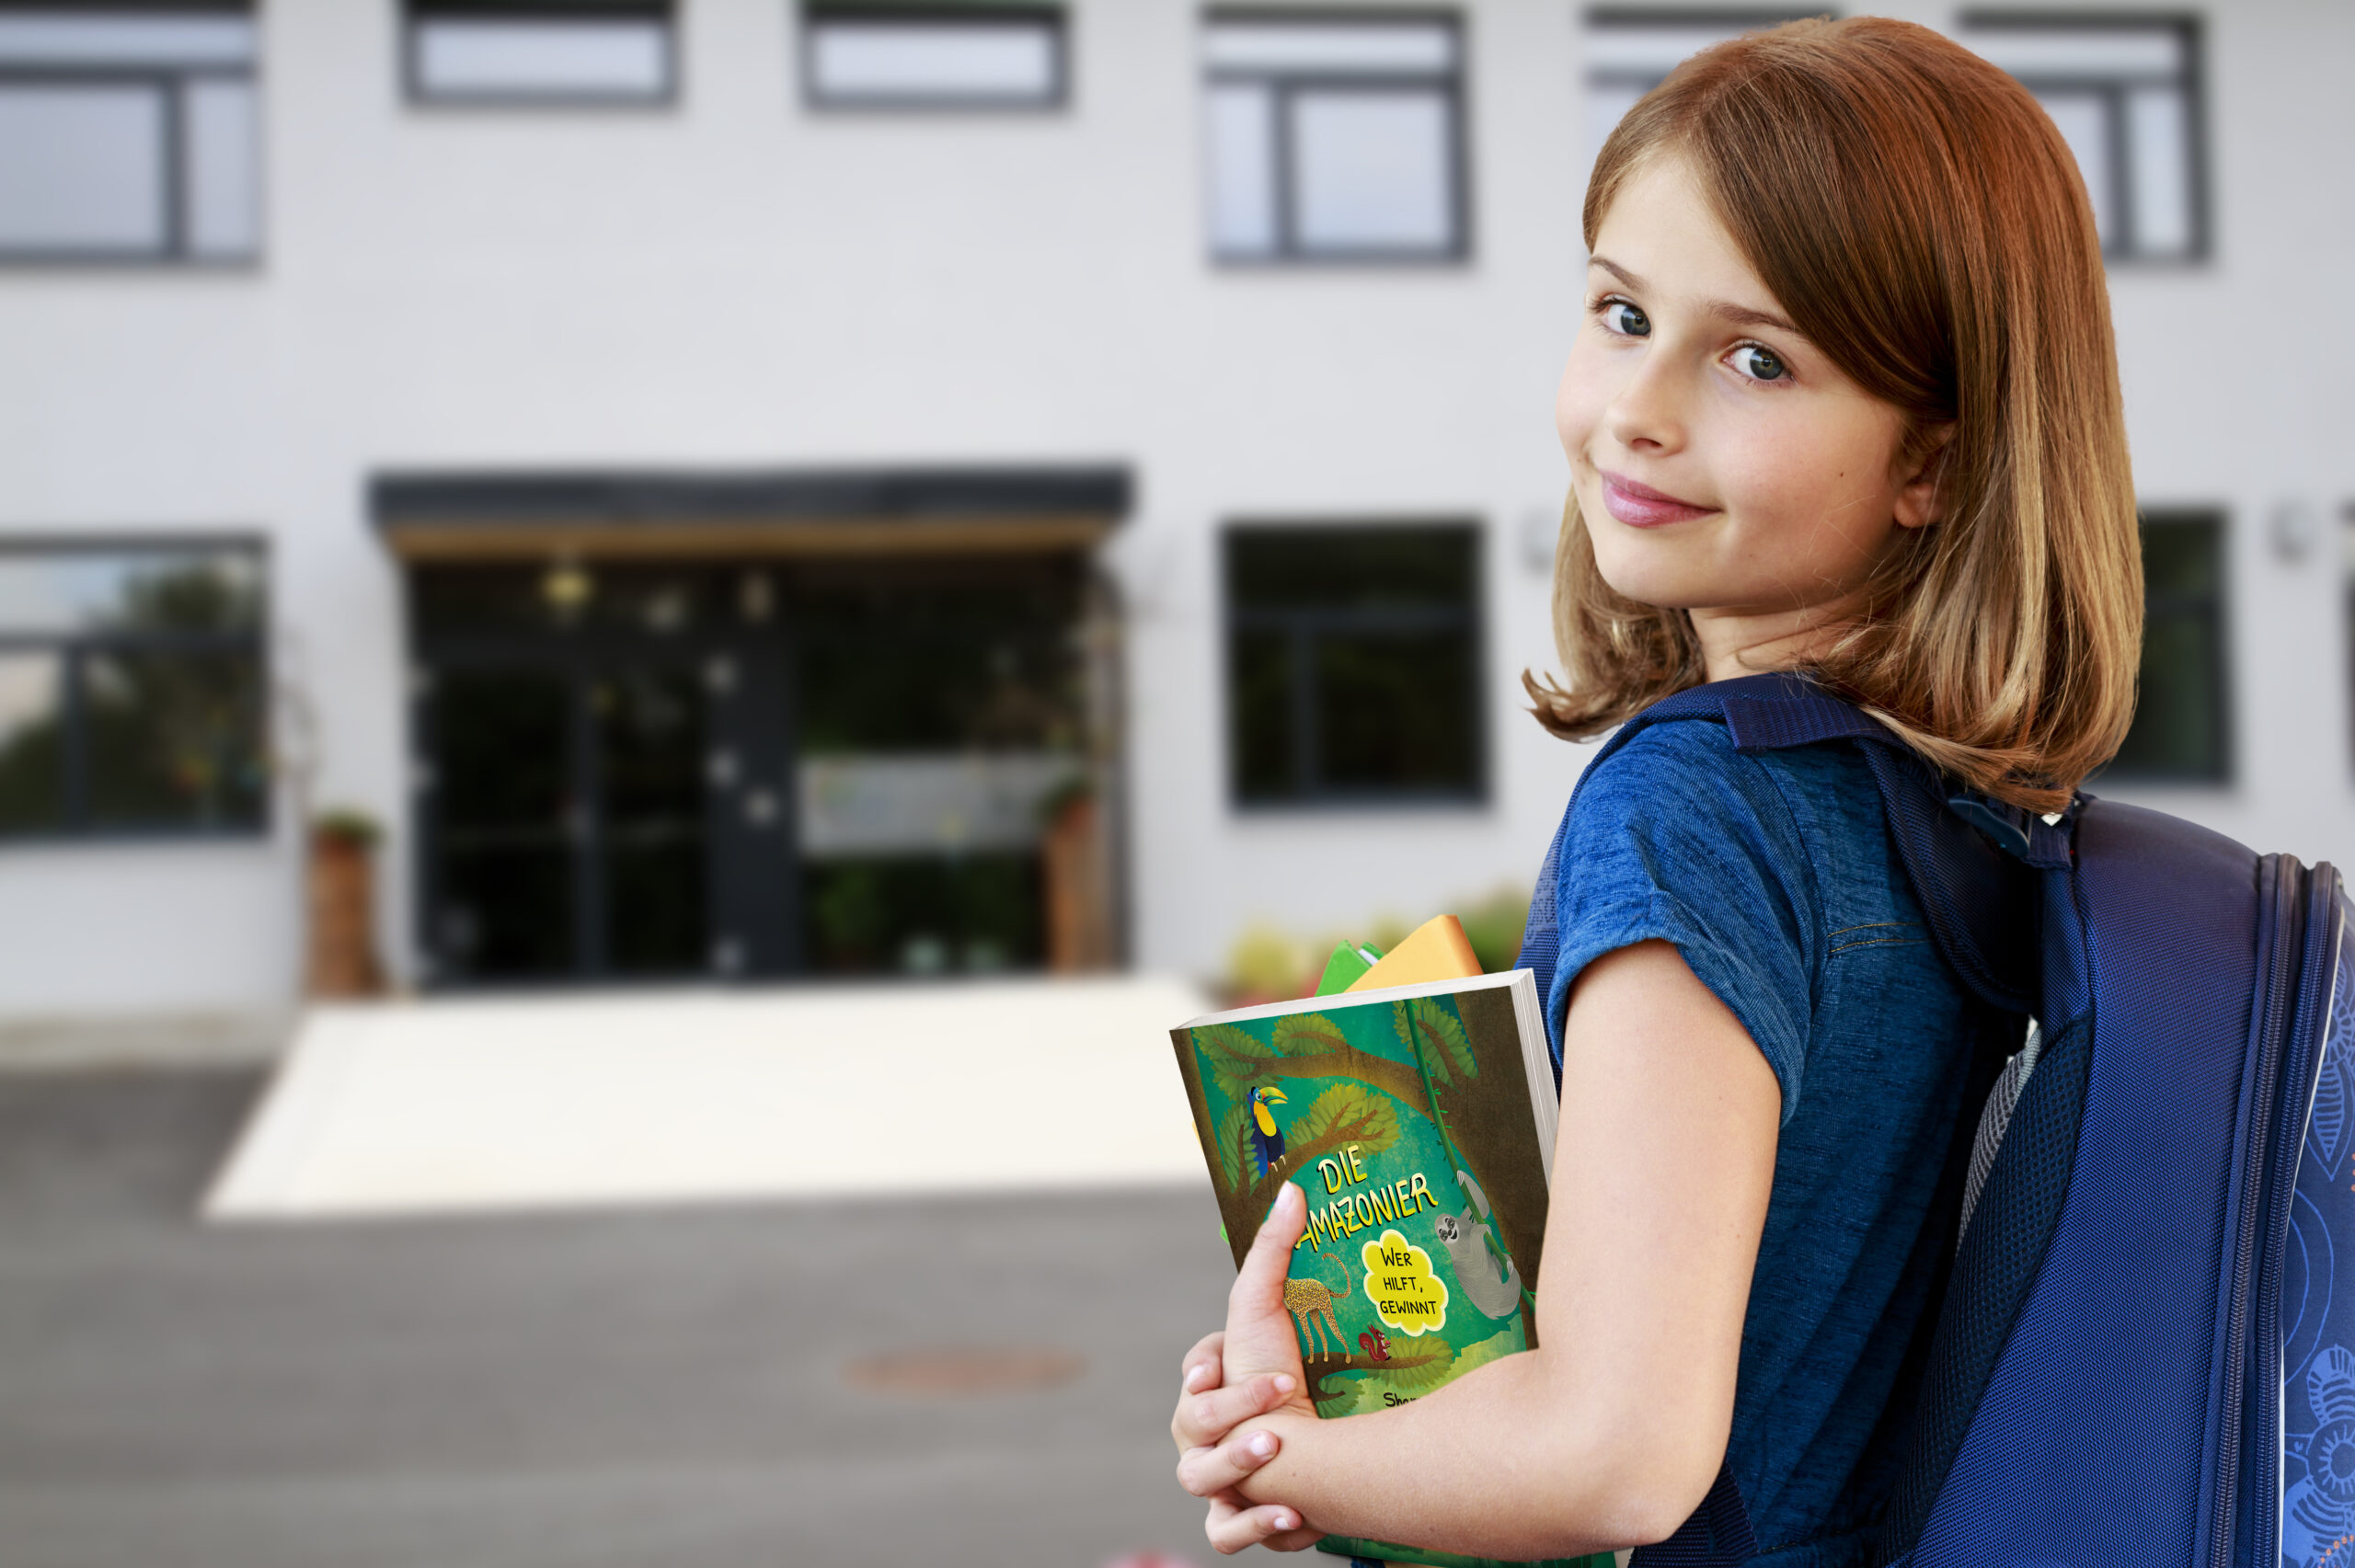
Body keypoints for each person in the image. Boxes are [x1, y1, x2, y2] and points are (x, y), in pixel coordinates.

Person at [1168, 17, 2143, 1565]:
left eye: (1757, 357)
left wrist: (1284, 1447)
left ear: (1933, 468)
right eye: (1621, 314)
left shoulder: (1698, 811)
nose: (1640, 407)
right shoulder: (1939, 806)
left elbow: (1620, 1452)